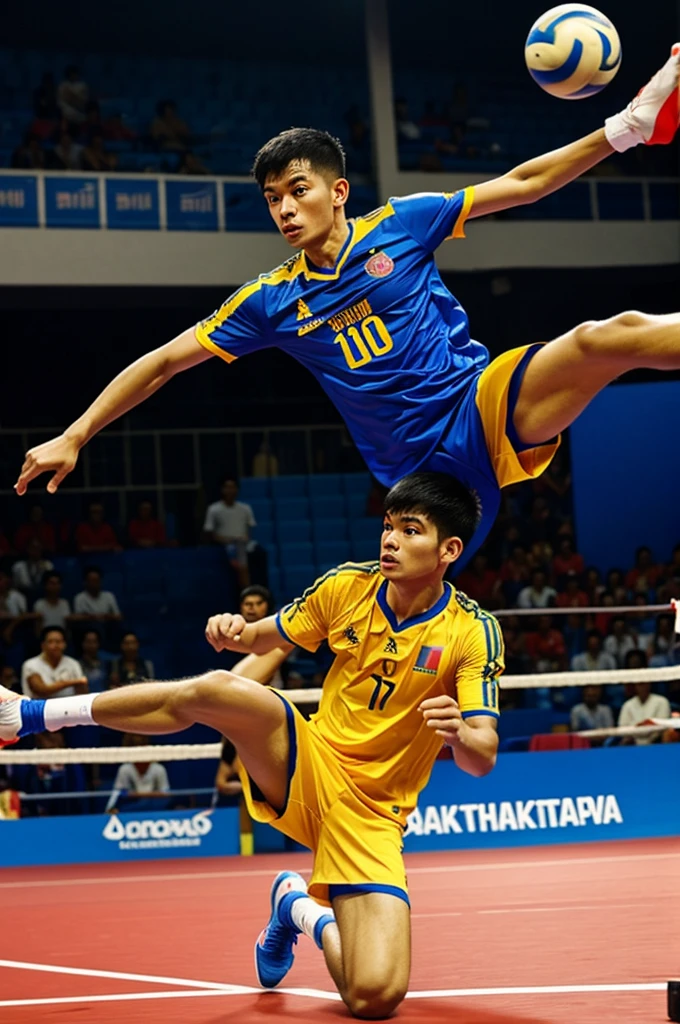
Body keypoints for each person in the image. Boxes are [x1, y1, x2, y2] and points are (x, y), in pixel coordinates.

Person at [14, 48, 680, 574]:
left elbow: (525, 183)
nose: (282, 208)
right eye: (273, 197)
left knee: (605, 337)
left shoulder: (401, 224)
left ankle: (637, 123)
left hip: (480, 403)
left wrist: (620, 132)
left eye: (296, 190)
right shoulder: (269, 301)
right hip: (417, 476)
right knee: (397, 634)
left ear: (337, 191)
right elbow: (162, 363)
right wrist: (78, 433)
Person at [1, 471, 503, 1017]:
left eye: (410, 531)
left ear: (448, 549)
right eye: (388, 526)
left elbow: (482, 757)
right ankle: (27, 714)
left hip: (374, 814)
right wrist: (232, 629)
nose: (390, 540)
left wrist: (459, 734)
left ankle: (298, 909)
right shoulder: (348, 587)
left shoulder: (471, 632)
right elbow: (263, 636)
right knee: (219, 688)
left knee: (375, 996)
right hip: (309, 763)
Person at [203, 478, 256, 588]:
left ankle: (247, 588)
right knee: (235, 551)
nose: (230, 490)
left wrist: (244, 538)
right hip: (223, 544)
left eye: (233, 487)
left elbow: (249, 531)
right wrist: (225, 540)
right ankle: (245, 587)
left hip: (242, 543)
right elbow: (209, 533)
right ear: (222, 490)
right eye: (227, 487)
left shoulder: (245, 508)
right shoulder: (214, 509)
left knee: (252, 551)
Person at [106, 734, 171, 812]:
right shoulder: (125, 769)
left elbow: (165, 793)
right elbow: (118, 793)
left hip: (154, 807)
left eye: (142, 748)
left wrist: (140, 795)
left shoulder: (158, 769)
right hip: (132, 807)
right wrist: (110, 808)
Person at [20, 626, 87, 700]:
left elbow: (82, 693)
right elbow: (42, 690)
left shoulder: (73, 664)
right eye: (50, 642)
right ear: (43, 645)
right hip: (39, 709)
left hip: (68, 709)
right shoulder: (30, 664)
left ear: (64, 644)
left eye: (58, 642)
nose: (55, 646)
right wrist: (71, 682)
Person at [618, 681, 671, 745]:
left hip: (657, 742)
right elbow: (623, 727)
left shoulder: (662, 701)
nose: (642, 687)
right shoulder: (627, 705)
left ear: (649, 684)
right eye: (639, 684)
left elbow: (663, 724)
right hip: (633, 743)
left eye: (644, 684)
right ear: (635, 686)